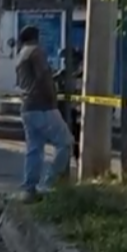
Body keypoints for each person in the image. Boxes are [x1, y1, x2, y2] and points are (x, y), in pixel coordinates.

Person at [15, 25, 73, 202]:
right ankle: (48, 185)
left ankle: (29, 189)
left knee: (34, 149)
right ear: (35, 37)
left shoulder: (21, 55)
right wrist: (52, 99)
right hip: (43, 106)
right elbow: (43, 77)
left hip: (27, 108)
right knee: (66, 142)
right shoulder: (36, 52)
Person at [54, 47, 83, 164]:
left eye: (68, 60)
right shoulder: (62, 75)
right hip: (63, 112)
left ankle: (78, 162)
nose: (65, 62)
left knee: (77, 139)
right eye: (64, 60)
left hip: (78, 114)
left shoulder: (84, 77)